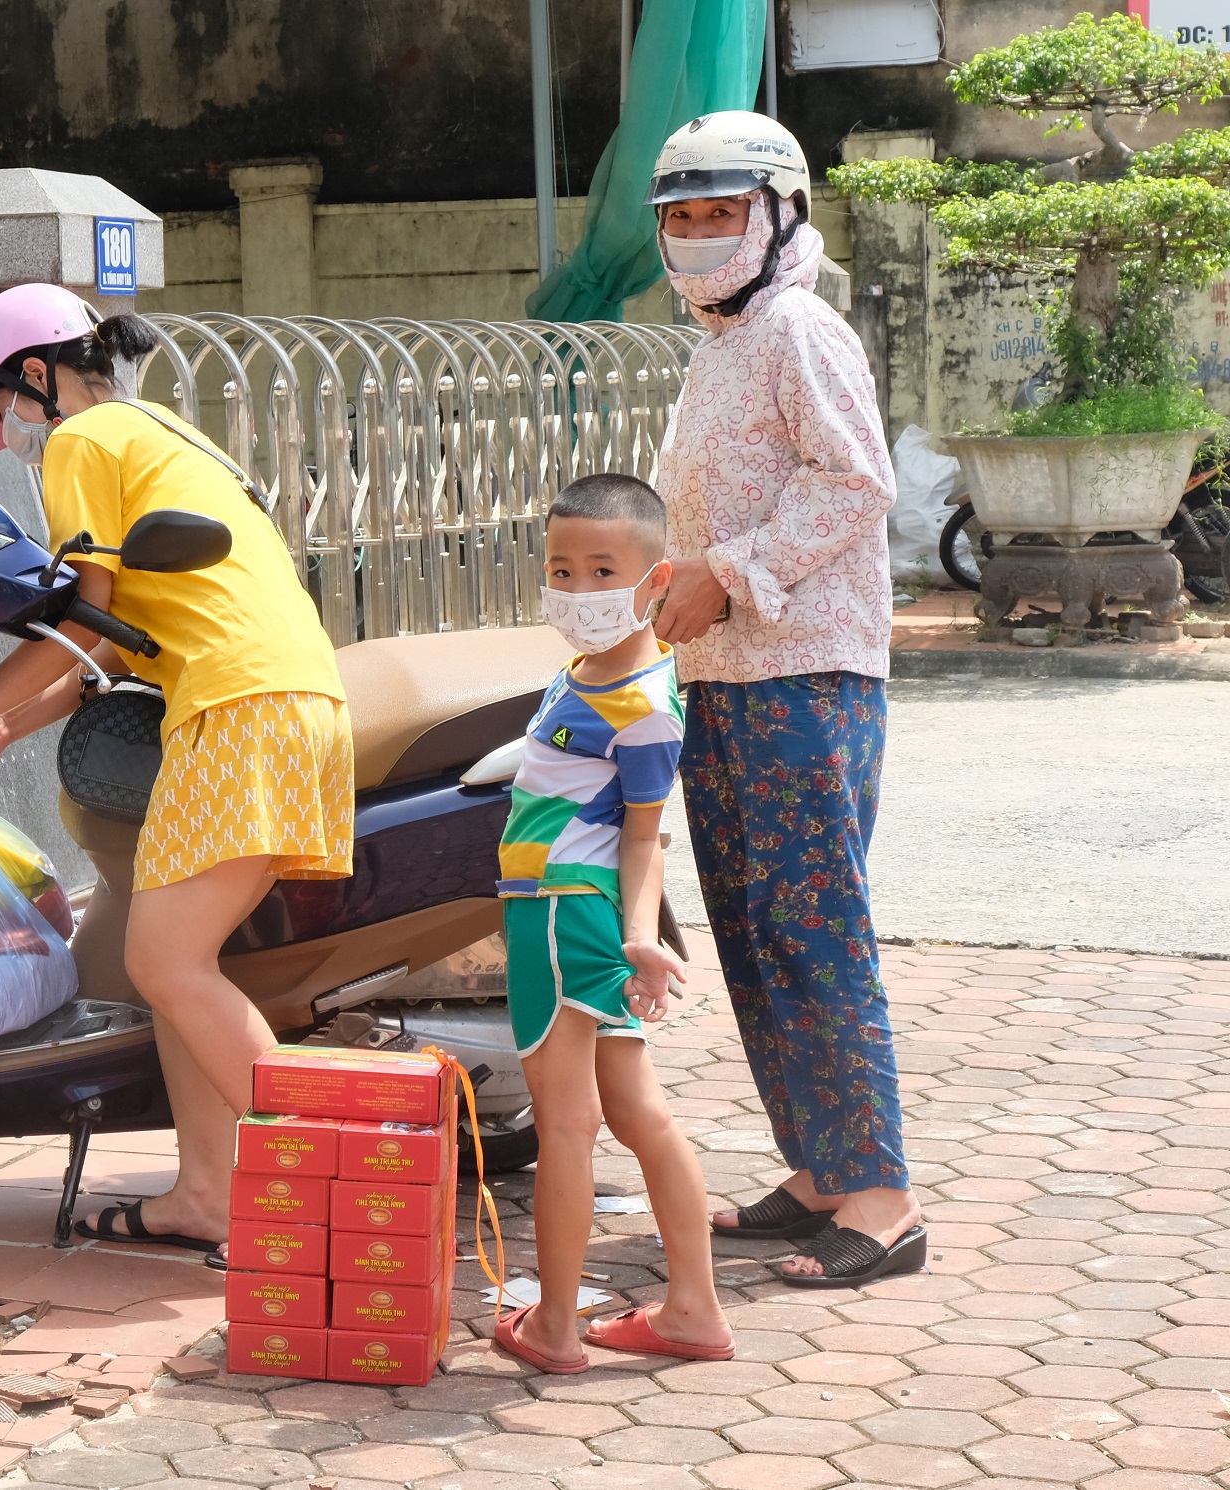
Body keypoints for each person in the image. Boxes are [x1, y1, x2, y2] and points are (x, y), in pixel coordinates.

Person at [0, 285, 352, 1258]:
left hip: (236, 707)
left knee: (164, 959)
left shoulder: (82, 439)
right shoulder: (163, 433)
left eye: (1, 411)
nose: (11, 434)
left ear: (33, 374)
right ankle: (208, 1192)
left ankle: (330, 1189)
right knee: (178, 968)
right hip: (276, 697)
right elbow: (112, 650)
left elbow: (80, 618)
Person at [649, 112, 923, 1286]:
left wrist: (732, 571)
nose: (700, 234)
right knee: (757, 935)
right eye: (680, 215)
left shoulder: (794, 326)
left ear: (779, 216)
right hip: (722, 674)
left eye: (721, 212)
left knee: (816, 934)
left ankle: (879, 1194)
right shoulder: (718, 347)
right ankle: (815, 1169)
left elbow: (859, 481)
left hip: (805, 668)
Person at [492, 474, 733, 1372]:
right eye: (564, 568)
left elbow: (645, 840)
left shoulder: (641, 707)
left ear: (656, 578)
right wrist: (635, 935)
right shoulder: (596, 671)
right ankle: (693, 1311)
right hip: (579, 918)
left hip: (560, 917)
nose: (581, 590)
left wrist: (639, 931)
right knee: (637, 1113)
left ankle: (553, 1326)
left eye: (603, 570)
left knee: (565, 1127)